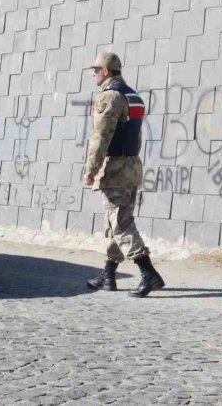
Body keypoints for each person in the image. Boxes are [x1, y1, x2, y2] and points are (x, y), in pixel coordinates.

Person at [83, 53, 165, 297]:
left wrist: (91, 169)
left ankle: (148, 273)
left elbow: (100, 137)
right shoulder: (133, 96)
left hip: (115, 167)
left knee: (119, 223)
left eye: (96, 69)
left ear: (106, 71)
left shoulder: (109, 97)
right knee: (117, 220)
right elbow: (135, 136)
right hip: (131, 165)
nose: (93, 73)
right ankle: (108, 274)